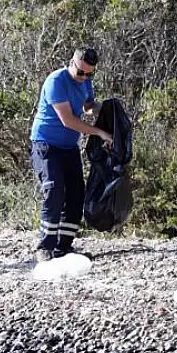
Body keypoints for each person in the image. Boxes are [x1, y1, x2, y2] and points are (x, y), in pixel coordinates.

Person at [29, 47, 113, 262]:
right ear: (72, 63)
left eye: (88, 73)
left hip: (69, 146)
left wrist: (101, 109)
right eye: (80, 72)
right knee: (54, 190)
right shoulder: (56, 81)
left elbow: (87, 106)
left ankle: (63, 247)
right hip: (47, 144)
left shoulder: (85, 82)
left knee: (76, 194)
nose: (83, 77)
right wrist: (99, 132)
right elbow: (68, 120)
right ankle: (45, 246)